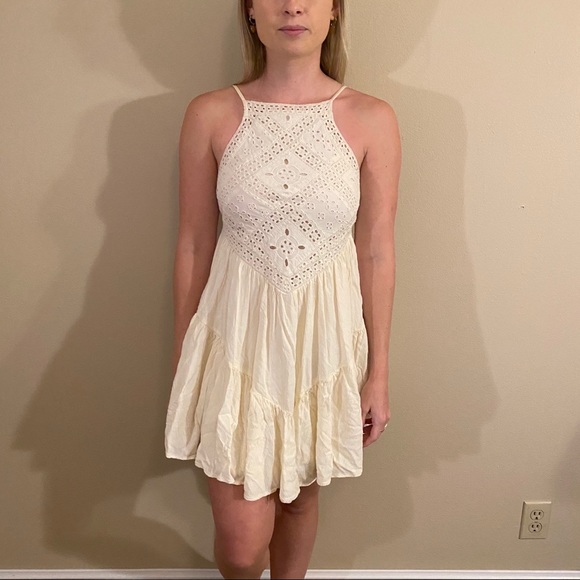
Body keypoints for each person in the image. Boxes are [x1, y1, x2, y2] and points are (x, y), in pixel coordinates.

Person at [164, 1, 401, 578]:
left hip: (323, 343)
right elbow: (193, 243)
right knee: (242, 549)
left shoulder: (372, 117)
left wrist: (378, 374)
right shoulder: (211, 113)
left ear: (333, 12)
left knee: (300, 500)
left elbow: (376, 250)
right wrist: (184, 357)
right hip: (234, 340)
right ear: (250, 12)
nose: (292, 6)